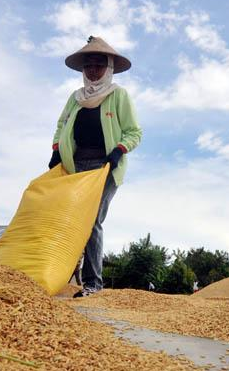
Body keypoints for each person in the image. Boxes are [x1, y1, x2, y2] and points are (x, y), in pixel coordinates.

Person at [49, 36, 142, 298]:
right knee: (68, 218)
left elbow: (134, 132)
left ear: (109, 67)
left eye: (98, 65)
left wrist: (117, 151)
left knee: (91, 221)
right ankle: (59, 274)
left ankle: (93, 283)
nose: (92, 70)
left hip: (105, 166)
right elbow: (61, 126)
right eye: (88, 65)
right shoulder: (76, 98)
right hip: (76, 164)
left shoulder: (118, 95)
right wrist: (57, 151)